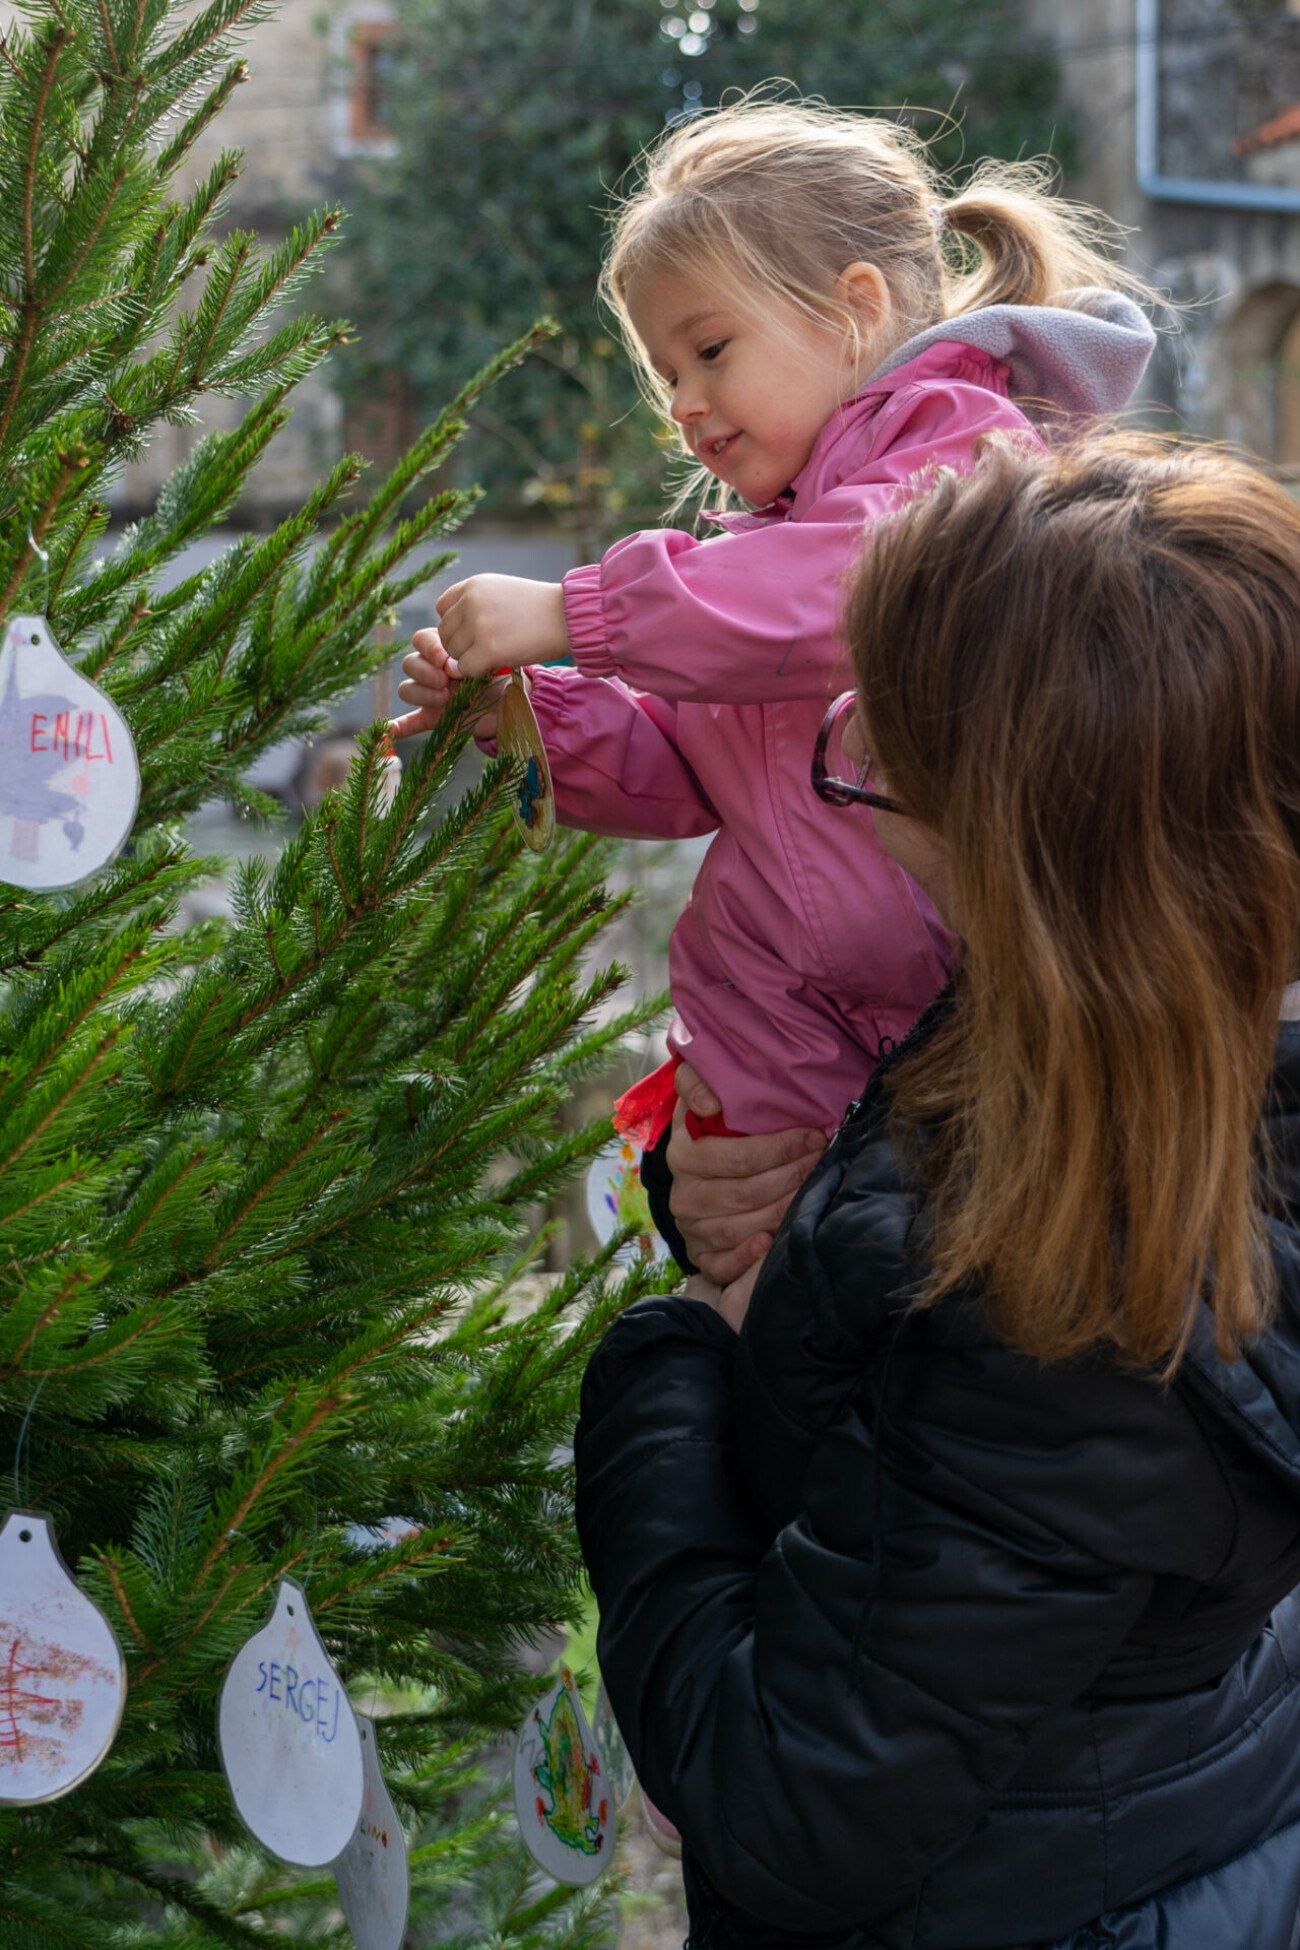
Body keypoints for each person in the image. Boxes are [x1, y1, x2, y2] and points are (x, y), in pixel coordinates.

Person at [574, 435, 1300, 1949]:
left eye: (878, 734)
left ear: (1041, 847)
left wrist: (668, 1362)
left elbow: (788, 1808)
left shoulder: (1058, 1318)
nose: (841, 744)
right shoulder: (1146, 1034)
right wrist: (715, 1190)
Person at [390, 97, 1156, 1266]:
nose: (684, 403)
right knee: (762, 1255)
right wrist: (523, 711)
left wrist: (571, 610)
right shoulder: (753, 543)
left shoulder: (958, 444)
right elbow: (684, 774)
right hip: (781, 1000)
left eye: (710, 351)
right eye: (662, 371)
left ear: (853, 310)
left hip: (970, 980)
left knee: (954, 1262)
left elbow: (847, 591)